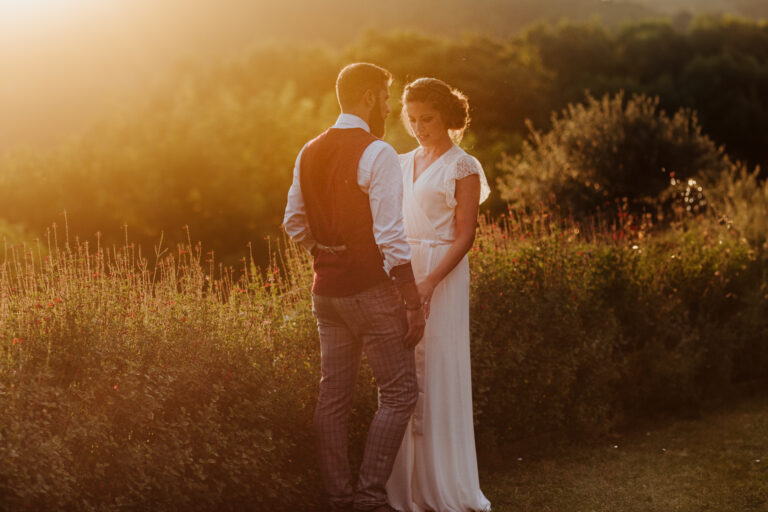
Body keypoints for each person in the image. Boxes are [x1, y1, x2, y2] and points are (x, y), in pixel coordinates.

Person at [283, 63, 427, 512]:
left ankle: (336, 497)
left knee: (333, 397)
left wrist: (326, 254)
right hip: (370, 291)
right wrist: (411, 300)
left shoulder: (308, 150)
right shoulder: (378, 152)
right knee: (400, 392)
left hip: (325, 293)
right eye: (386, 97)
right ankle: (367, 498)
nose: (389, 105)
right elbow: (389, 235)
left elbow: (293, 221)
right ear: (367, 97)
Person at [385, 78, 492, 512]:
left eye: (426, 118)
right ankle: (402, 485)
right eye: (411, 119)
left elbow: (465, 236)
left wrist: (429, 282)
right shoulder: (397, 160)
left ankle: (442, 482)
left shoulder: (463, 166)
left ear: (446, 116)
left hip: (442, 274)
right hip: (399, 271)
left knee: (437, 368)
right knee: (399, 370)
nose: (418, 127)